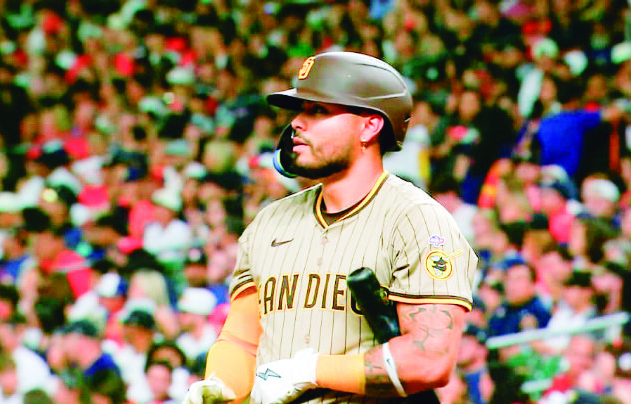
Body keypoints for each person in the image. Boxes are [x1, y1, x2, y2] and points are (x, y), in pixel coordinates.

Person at [182, 51, 478, 404]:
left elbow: (429, 361)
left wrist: (311, 370)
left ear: (370, 126)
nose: (296, 122)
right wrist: (220, 385)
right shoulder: (269, 222)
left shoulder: (418, 220)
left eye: (319, 111)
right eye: (300, 110)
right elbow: (242, 340)